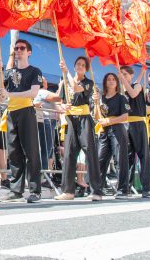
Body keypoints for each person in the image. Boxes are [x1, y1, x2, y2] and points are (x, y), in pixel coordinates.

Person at [55, 57, 102, 201]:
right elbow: (59, 102)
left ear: (86, 69)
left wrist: (66, 71)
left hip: (84, 118)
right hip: (70, 119)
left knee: (90, 152)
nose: (80, 66)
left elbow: (76, 88)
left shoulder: (89, 83)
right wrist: (62, 107)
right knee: (69, 154)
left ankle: (96, 191)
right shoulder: (64, 81)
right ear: (74, 66)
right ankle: (68, 190)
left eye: (83, 65)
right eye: (78, 64)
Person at [2, 39, 42, 203]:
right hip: (11, 112)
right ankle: (16, 190)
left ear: (29, 52)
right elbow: (1, 91)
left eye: (22, 48)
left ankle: (35, 190)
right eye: (16, 48)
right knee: (13, 152)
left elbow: (33, 93)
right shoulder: (9, 72)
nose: (18, 50)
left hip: (26, 110)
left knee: (31, 151)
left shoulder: (34, 71)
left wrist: (11, 95)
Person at [118, 65, 150, 198]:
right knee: (128, 157)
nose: (123, 76)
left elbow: (133, 92)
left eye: (125, 74)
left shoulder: (137, 86)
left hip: (138, 123)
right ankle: (127, 187)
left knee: (143, 156)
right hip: (126, 124)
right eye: (121, 74)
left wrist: (140, 74)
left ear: (131, 76)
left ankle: (146, 188)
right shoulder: (121, 91)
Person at [96, 72, 130, 198]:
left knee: (119, 160)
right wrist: (95, 103)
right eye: (108, 79)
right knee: (100, 159)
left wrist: (110, 120)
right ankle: (97, 188)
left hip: (117, 129)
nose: (110, 81)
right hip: (104, 130)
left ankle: (123, 189)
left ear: (117, 82)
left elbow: (125, 116)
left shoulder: (121, 98)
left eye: (113, 79)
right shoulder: (101, 98)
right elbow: (97, 116)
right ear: (105, 82)